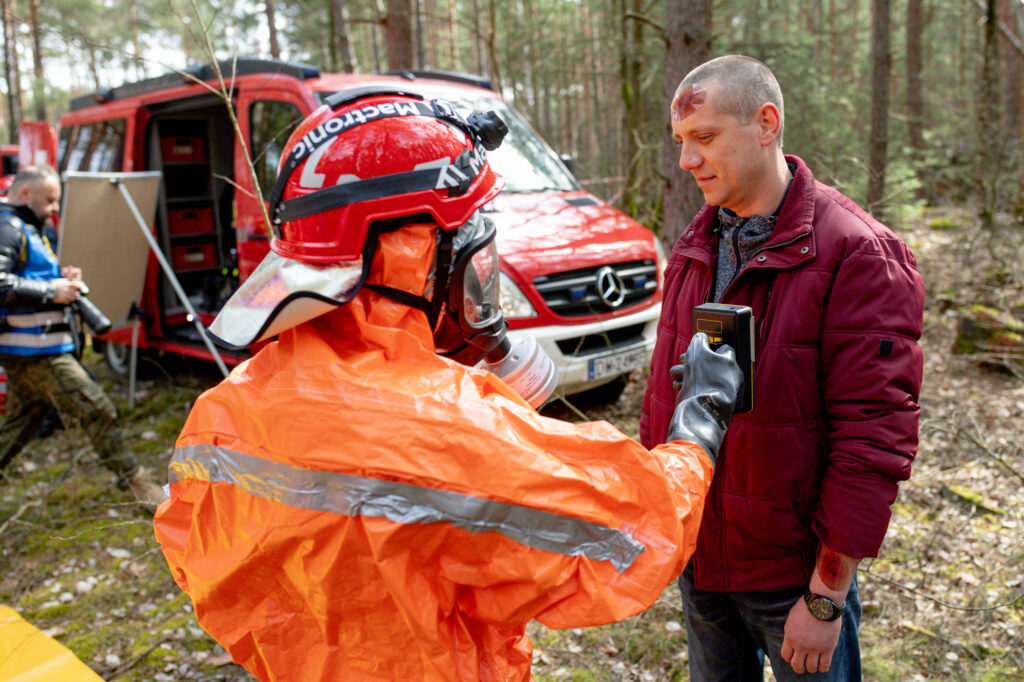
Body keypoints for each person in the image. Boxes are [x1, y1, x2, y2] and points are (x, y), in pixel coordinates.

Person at [153, 91, 743, 681]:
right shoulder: (446, 429)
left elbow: (195, 549)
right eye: (471, 243)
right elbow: (637, 533)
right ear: (412, 255)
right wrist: (700, 418)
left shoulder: (223, 411)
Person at [641, 55, 925, 681]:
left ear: (766, 123)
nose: (687, 160)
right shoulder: (693, 247)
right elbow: (666, 399)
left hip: (792, 582)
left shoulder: (858, 252)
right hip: (703, 568)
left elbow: (873, 437)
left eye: (705, 137)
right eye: (682, 142)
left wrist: (825, 598)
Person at [0, 165, 165, 508]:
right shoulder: (8, 227)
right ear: (26, 193)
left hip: (34, 350)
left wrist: (60, 278)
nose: (55, 209)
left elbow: (22, 279)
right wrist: (51, 291)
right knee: (97, 408)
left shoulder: (30, 230)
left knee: (16, 429)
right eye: (49, 201)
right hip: (36, 354)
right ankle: (139, 487)